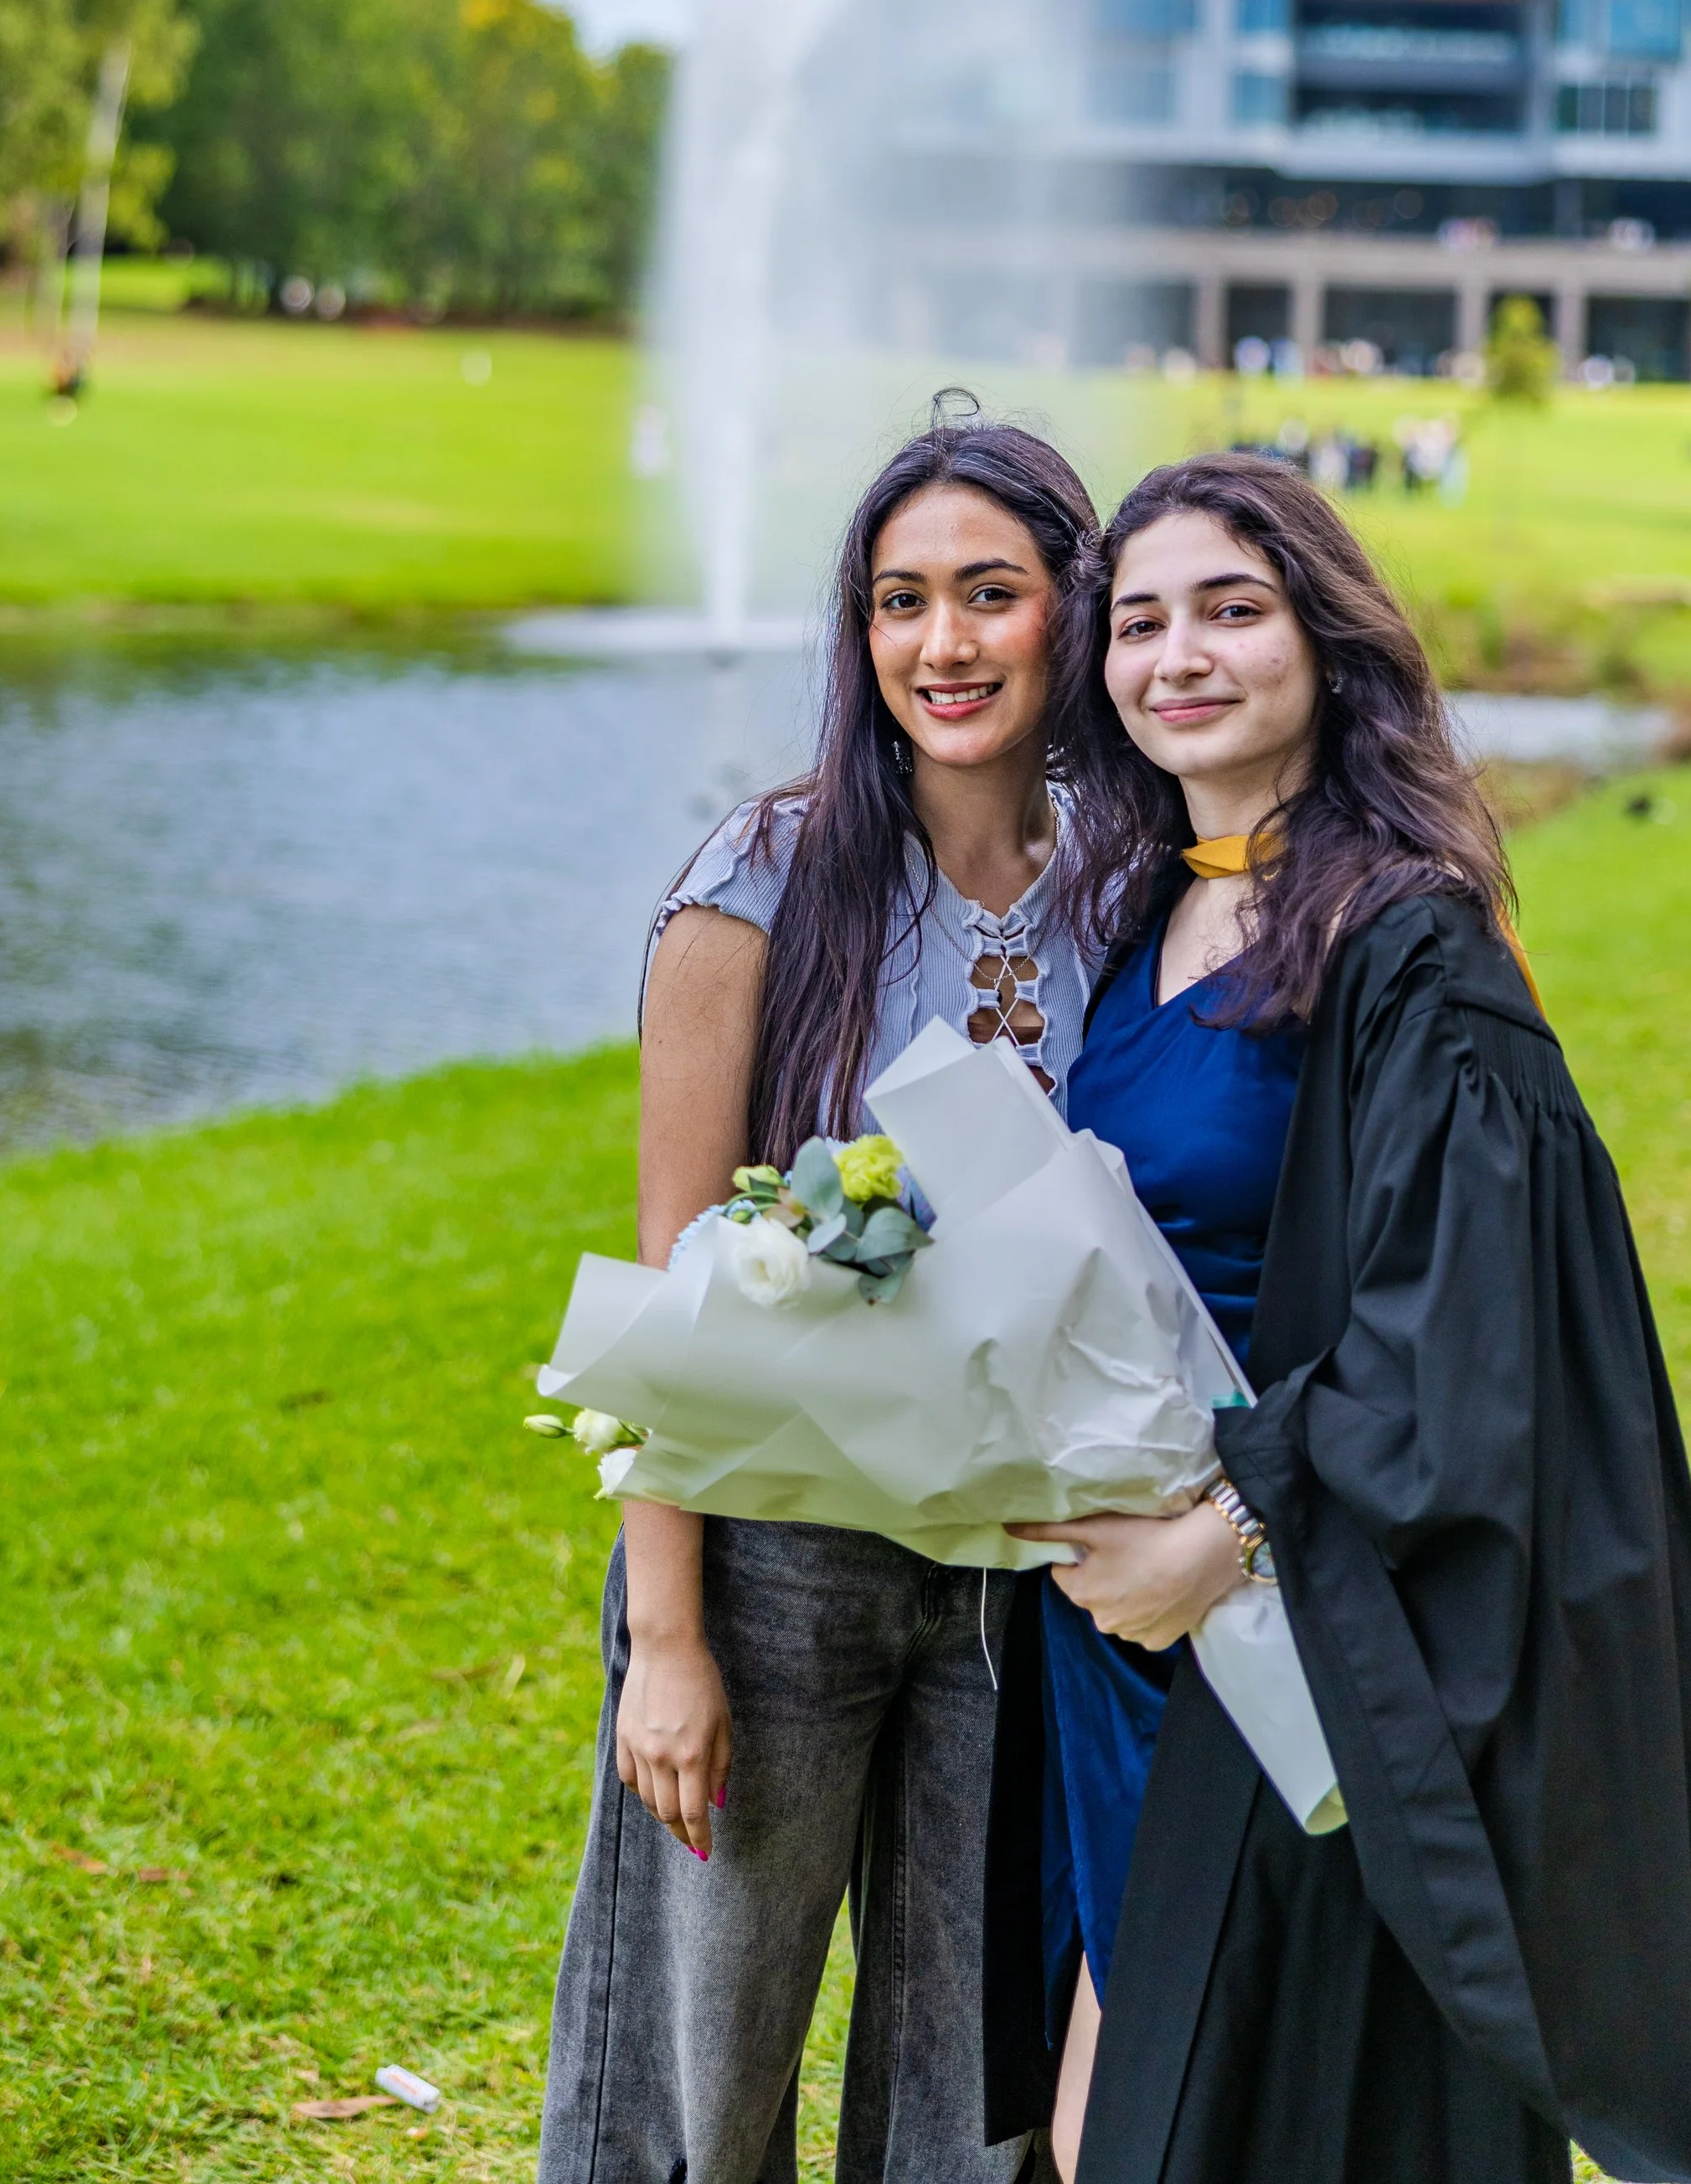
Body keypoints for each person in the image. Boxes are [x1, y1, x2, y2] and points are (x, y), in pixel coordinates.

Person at [984, 452, 1691, 2184]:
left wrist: (1230, 1530)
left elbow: (1474, 1331)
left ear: (1324, 642)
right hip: (1119, 1638)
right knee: (1104, 2107)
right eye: (1137, 623)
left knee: (1250, 2122)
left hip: (1294, 1622)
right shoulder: (1147, 917)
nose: (1174, 655)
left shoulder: (1406, 948)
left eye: (1228, 609)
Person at [539, 409, 1103, 2184]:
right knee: (702, 2075)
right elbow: (669, 1287)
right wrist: (672, 1638)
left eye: (989, 595)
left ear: (1069, 609)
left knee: (969, 2088)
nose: (941, 646)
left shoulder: (1132, 884)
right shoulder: (758, 882)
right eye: (898, 602)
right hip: (773, 1566)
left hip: (1023, 1584)